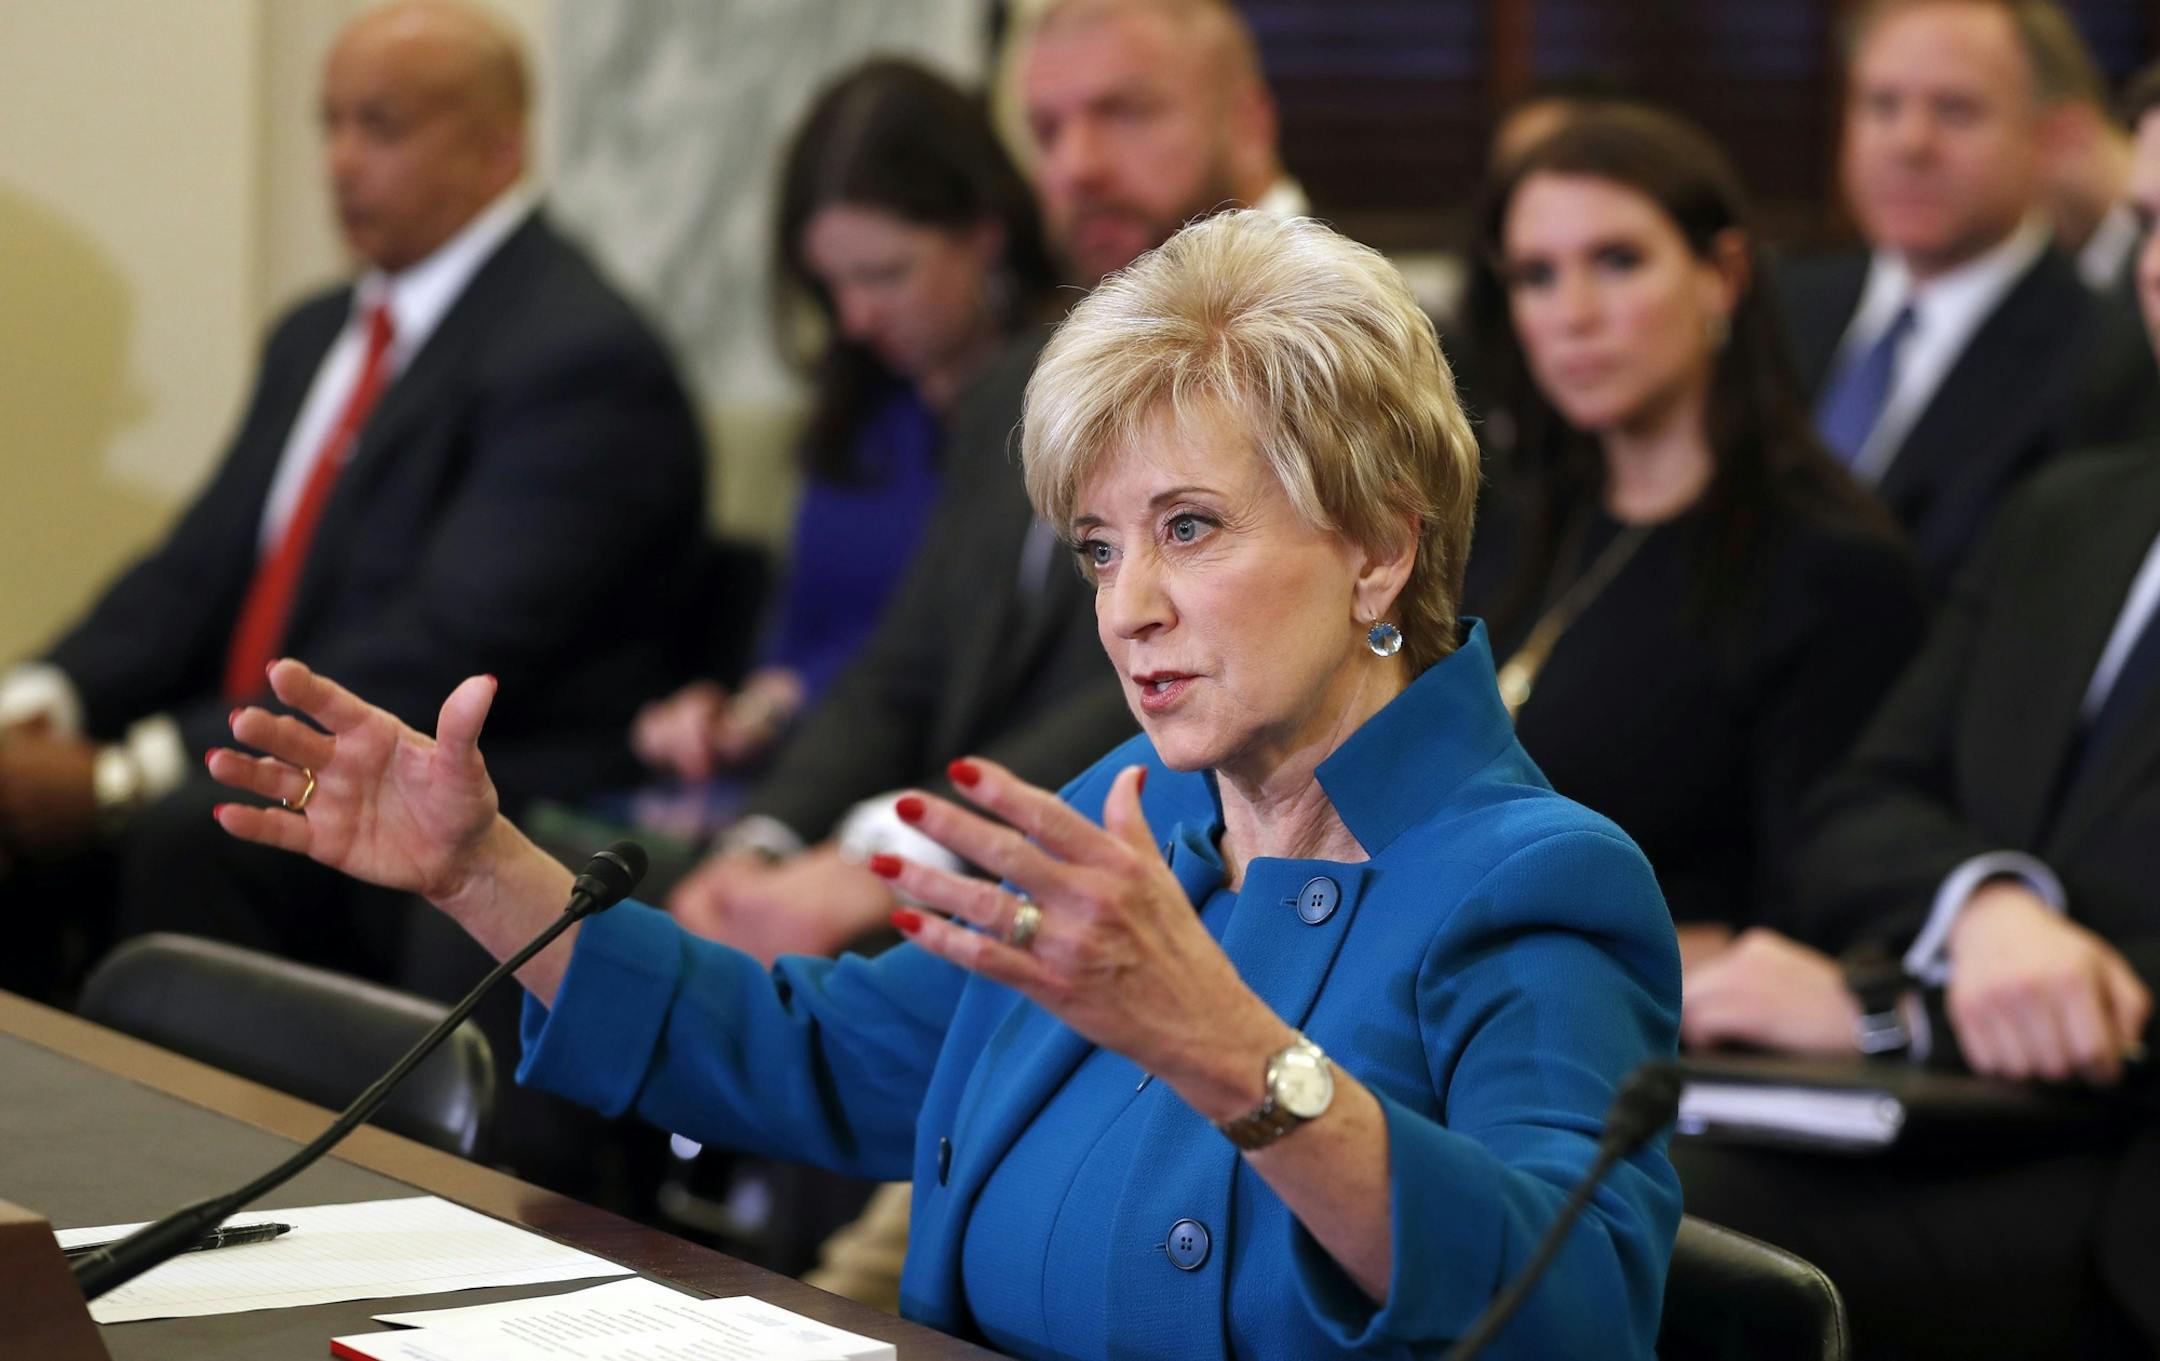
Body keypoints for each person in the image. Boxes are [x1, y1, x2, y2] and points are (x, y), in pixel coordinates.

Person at [206, 211, 1682, 1359]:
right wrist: (485, 871)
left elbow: (1580, 1310)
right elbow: (830, 1056)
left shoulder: (1535, 880)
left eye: (1188, 527)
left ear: (1380, 544)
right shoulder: (1142, 810)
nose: (1128, 607)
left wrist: (1229, 1050)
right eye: (1101, 547)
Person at [0, 0, 705, 998]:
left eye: (381, 126)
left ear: (498, 145)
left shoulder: (579, 357)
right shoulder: (315, 333)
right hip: (281, 744)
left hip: (459, 793)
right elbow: (192, 576)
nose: (338, 161)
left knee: (180, 835)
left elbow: (441, 645)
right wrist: (41, 702)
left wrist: (131, 771)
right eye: (329, 123)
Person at [1672, 62, 2160, 1361]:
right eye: (2155, 225)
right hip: (1943, 1120)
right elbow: (1860, 803)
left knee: (1674, 1255)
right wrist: (1984, 905)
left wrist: (1900, 1007)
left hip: (2128, 1187)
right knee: (1575, 1187)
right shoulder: (2076, 511)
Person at [662, 0, 1305, 966]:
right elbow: (903, 665)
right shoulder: (1025, 373)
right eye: (1047, 129)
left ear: (1248, 122)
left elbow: (1179, 695)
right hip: (973, 898)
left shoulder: (1349, 362)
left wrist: (889, 854)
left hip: (1206, 919)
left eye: (1126, 113)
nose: (1077, 165)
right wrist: (761, 842)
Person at [1463, 107, 1925, 969]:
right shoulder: (1507, 524)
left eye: (1618, 261)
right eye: (1536, 274)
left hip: (1654, 1043)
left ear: (1723, 274)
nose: (1573, 314)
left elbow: (1816, 909)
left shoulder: (1831, 568)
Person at [629, 60, 1057, 791]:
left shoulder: (1063, 401)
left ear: (985, 235)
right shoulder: (863, 406)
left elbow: (992, 672)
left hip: (954, 791)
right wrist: (741, 714)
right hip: (810, 778)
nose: (855, 317)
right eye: (832, 285)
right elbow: (799, 645)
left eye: (885, 275)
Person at [1775, 0, 2158, 590]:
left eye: (1956, 110)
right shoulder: (1781, 301)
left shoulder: (2108, 361)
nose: (1909, 143)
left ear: (2049, 138)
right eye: (1882, 104)